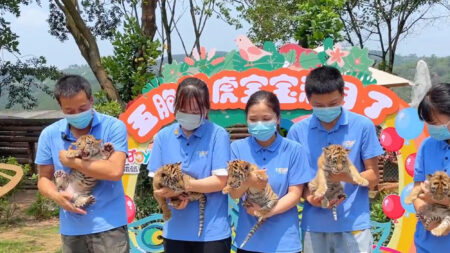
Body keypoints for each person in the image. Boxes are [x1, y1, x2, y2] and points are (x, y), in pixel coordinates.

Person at [287, 66, 383, 253]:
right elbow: (295, 183)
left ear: (343, 95)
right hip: (314, 226)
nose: (326, 109)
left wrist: (342, 176)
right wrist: (311, 198)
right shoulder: (297, 132)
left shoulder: (363, 126)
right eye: (319, 106)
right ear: (309, 100)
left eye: (333, 103)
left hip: (354, 224)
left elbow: (373, 178)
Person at [35, 75, 129, 253]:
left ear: (91, 100)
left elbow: (115, 171)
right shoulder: (49, 134)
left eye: (82, 108)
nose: (77, 114)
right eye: (69, 111)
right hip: (72, 227)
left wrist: (72, 161)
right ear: (61, 107)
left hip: (110, 225)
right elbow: (43, 179)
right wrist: (57, 197)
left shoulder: (113, 127)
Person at [147, 77, 231, 253]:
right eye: (183, 110)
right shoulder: (163, 137)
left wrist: (184, 186)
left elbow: (220, 182)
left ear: (206, 108)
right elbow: (156, 181)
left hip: (212, 233)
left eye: (194, 111)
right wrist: (172, 197)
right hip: (175, 232)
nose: (188, 115)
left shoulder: (218, 135)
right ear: (175, 107)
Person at [229, 90, 314, 253]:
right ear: (246, 120)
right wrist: (249, 182)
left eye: (266, 119)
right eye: (253, 119)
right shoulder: (237, 148)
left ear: (278, 119)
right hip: (248, 242)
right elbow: (234, 193)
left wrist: (265, 212)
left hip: (284, 243)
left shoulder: (294, 150)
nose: (259, 124)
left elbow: (295, 194)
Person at [412, 83, 450, 252]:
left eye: (435, 122)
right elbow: (417, 191)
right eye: (429, 123)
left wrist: (437, 199)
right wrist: (424, 214)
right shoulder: (427, 146)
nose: (432, 128)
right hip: (426, 245)